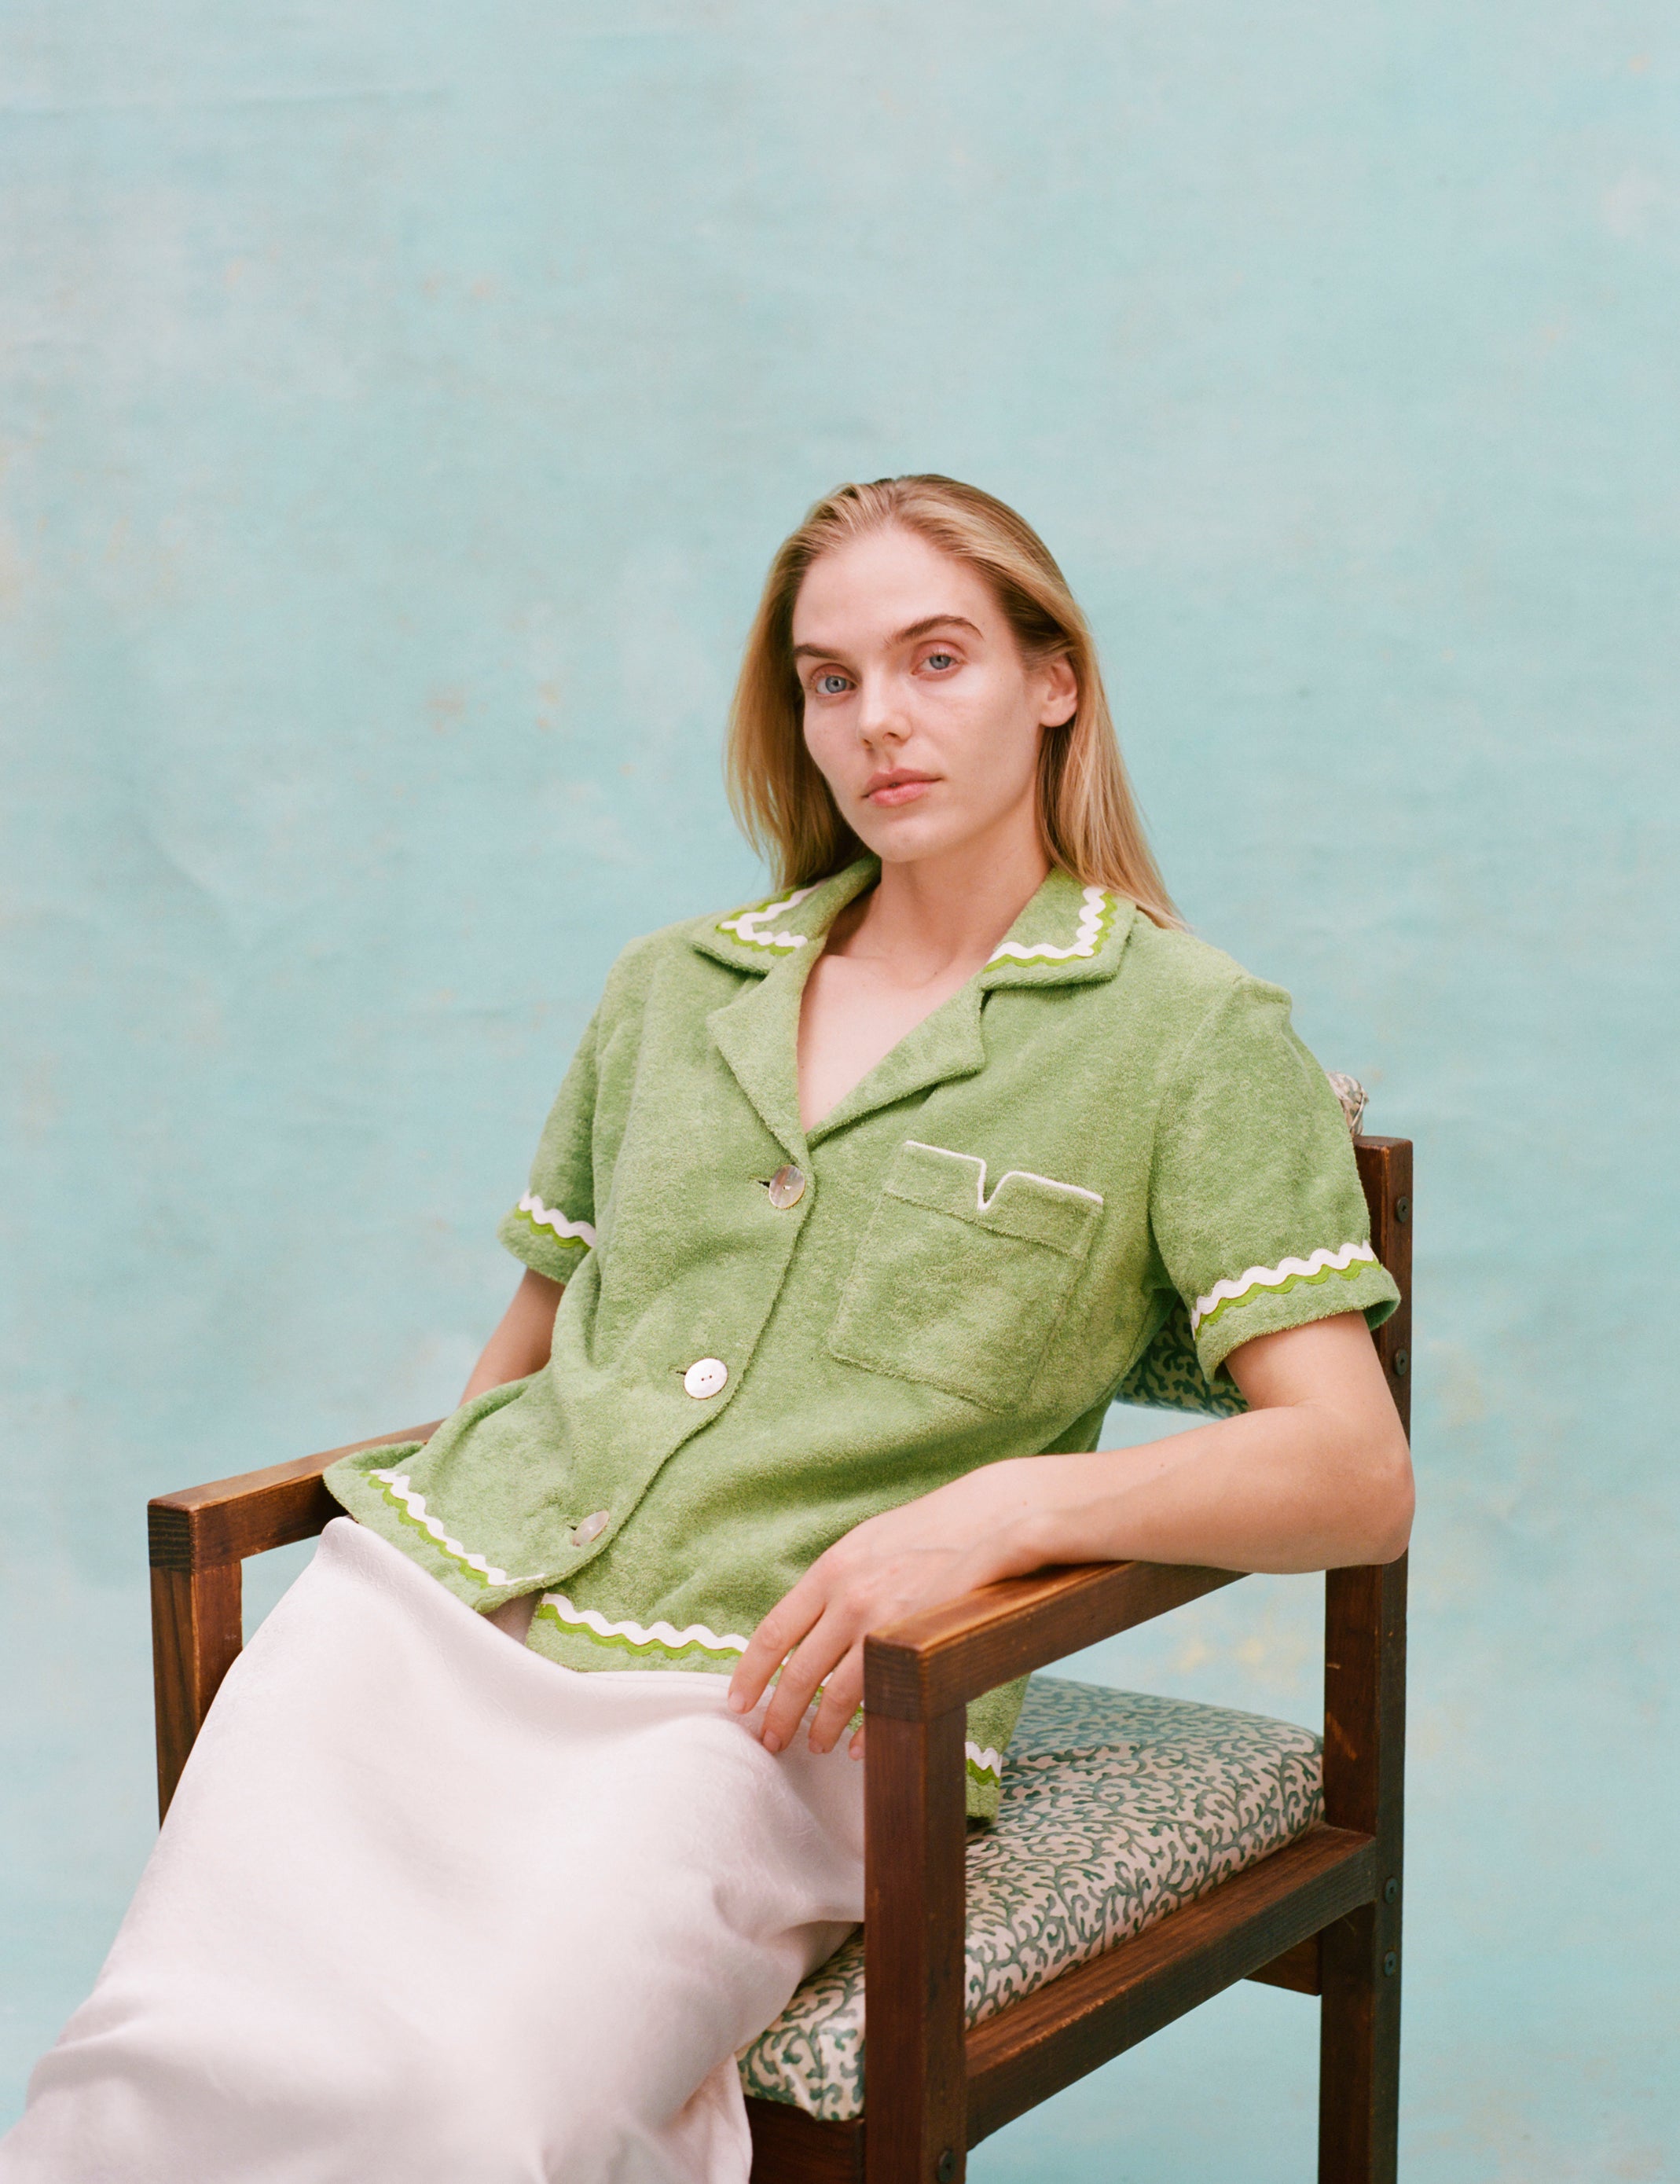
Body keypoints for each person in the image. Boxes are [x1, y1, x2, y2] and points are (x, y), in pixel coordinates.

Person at [2, 476, 1412, 2183]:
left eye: (935, 657)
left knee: (481, 2110)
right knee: (164, 2063)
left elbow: (1353, 1471)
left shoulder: (1190, 1035)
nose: (877, 719)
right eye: (830, 679)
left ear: (1055, 680)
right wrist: (435, 1566)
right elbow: (525, 1353)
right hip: (426, 1620)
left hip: (767, 1695)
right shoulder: (673, 986)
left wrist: (994, 1510)